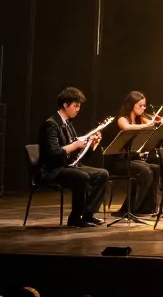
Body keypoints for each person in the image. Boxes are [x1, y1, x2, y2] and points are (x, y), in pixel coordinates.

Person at [35, 87, 110, 228]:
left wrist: (92, 144)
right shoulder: (51, 124)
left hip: (67, 165)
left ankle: (88, 214)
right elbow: (54, 154)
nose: (78, 109)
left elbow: (77, 154)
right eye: (76, 106)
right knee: (82, 177)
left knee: (102, 174)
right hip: (52, 170)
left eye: (79, 106)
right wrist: (75, 145)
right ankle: (75, 217)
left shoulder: (68, 124)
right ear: (65, 104)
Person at [111, 91, 163, 217]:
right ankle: (134, 208)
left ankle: (149, 208)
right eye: (140, 105)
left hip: (133, 160)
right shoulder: (122, 119)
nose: (143, 108)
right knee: (145, 170)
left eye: (144, 105)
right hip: (119, 162)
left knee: (155, 168)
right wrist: (147, 126)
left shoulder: (141, 119)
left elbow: (156, 124)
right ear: (131, 104)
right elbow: (126, 128)